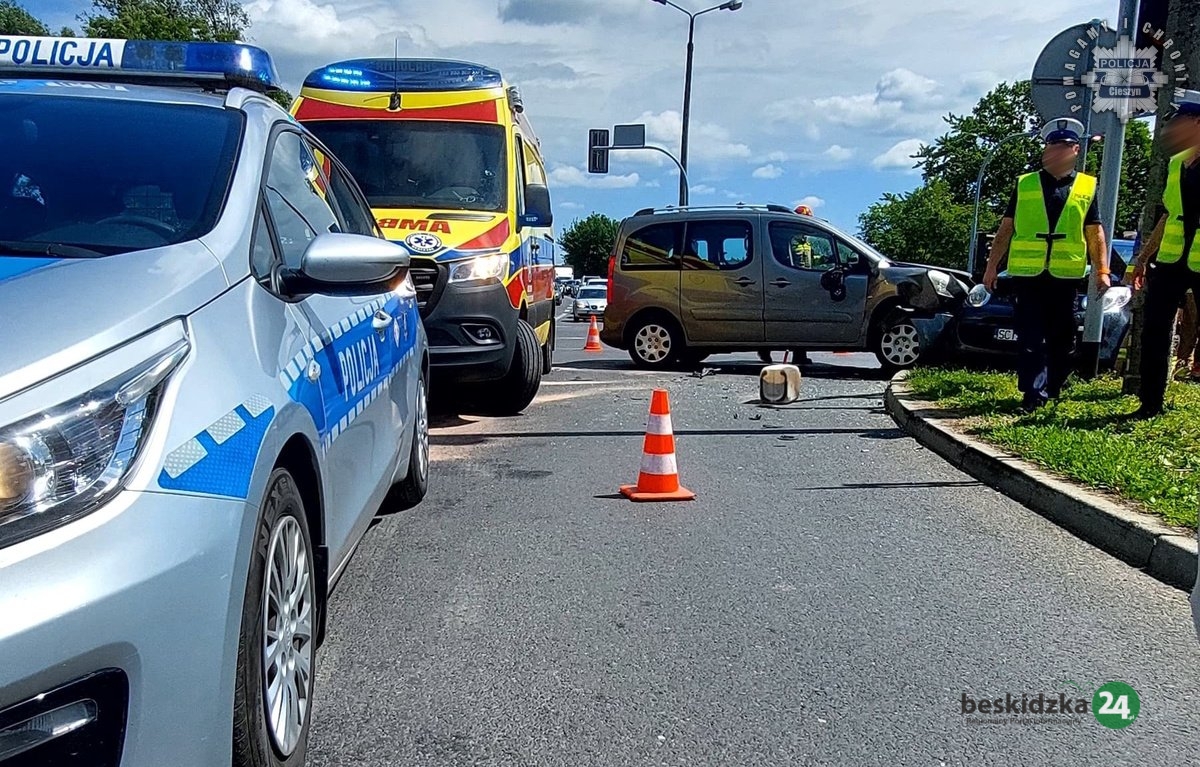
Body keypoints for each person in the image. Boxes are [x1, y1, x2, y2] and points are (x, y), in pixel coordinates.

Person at [982, 117, 1109, 412]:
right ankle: (1033, 394)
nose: (1055, 152)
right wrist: (991, 267)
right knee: (1030, 338)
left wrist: (1102, 270)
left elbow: (1095, 232)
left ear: (1075, 150)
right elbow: (1006, 229)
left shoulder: (1086, 187)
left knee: (1062, 339)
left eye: (1062, 147)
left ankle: (1053, 387)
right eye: (1051, 146)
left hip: (1065, 276)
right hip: (1028, 274)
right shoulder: (1026, 184)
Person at [1132, 90, 1200, 416]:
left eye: (1178, 121)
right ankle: (1149, 403)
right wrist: (1143, 258)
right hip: (1171, 261)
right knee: (1155, 330)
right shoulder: (1175, 165)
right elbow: (1168, 215)